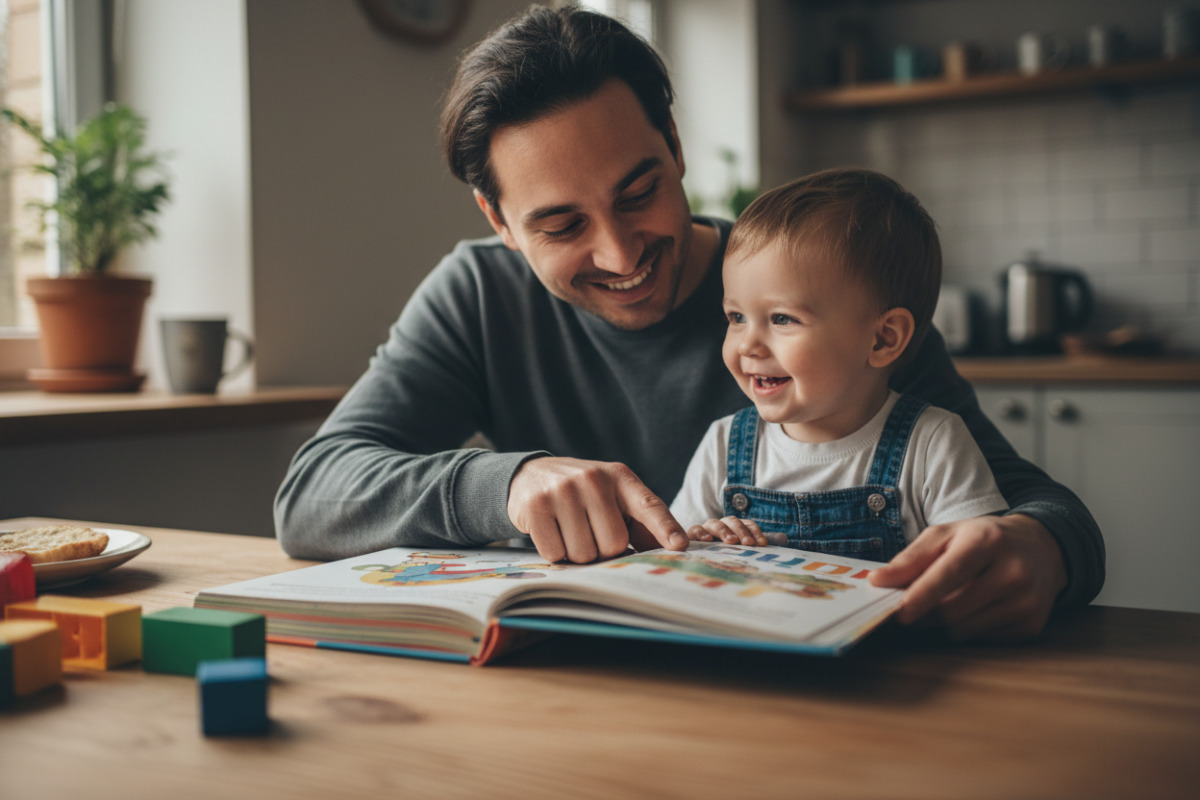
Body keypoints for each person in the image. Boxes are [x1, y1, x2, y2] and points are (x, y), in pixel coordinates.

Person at [275, 5, 1104, 641]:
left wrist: (1043, 550)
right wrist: (509, 484)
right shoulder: (477, 295)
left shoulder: (818, 295)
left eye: (638, 193)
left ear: (673, 144)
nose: (620, 252)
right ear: (498, 217)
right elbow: (313, 495)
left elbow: (1040, 506)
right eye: (561, 226)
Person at [670, 169, 1010, 566]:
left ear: (883, 339)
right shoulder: (723, 444)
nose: (747, 344)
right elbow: (675, 553)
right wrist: (705, 541)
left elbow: (980, 563)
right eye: (736, 317)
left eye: (782, 319)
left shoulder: (934, 444)